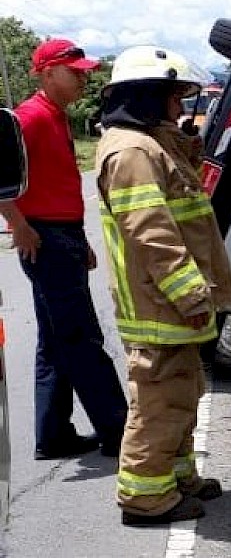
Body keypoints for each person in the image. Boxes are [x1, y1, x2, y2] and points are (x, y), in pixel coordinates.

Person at [95, 46, 231, 526]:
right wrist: (192, 294)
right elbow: (152, 234)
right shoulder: (132, 151)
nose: (180, 108)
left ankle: (176, 478)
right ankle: (144, 498)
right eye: (173, 98)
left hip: (169, 305)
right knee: (160, 402)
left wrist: (183, 142)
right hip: (163, 306)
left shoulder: (147, 143)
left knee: (182, 392)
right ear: (148, 97)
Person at [0, 38, 127, 460]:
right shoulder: (29, 119)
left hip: (61, 236)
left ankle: (52, 436)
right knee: (81, 338)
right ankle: (119, 430)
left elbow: (61, 185)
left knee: (55, 342)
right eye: (76, 72)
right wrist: (17, 224)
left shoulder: (54, 117)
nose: (84, 79)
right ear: (49, 72)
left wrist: (82, 239)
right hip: (45, 239)